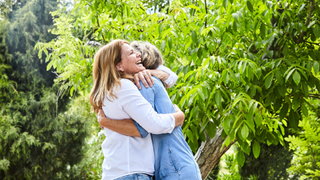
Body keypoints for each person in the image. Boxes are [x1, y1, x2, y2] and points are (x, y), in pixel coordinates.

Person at [98, 41, 202, 180]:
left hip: (173, 166)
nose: (137, 55)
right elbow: (148, 126)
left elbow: (144, 128)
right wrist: (179, 116)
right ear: (119, 65)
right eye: (131, 53)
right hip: (169, 166)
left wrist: (105, 121)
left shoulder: (144, 82)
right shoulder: (136, 84)